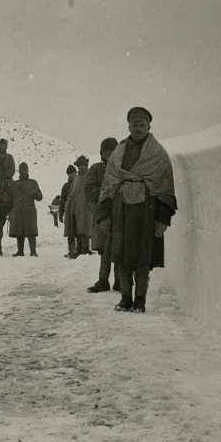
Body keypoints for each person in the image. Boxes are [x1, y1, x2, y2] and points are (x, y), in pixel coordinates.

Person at [94, 107, 177, 313]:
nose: (138, 128)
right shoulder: (118, 153)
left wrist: (163, 218)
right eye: (134, 125)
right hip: (120, 211)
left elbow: (165, 186)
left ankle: (139, 300)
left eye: (141, 125)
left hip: (146, 211)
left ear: (149, 126)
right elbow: (109, 183)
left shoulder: (157, 154)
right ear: (128, 126)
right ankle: (125, 298)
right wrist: (103, 214)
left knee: (142, 255)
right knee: (120, 254)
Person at [85, 137, 120, 293]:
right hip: (103, 214)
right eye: (107, 152)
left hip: (120, 213)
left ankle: (120, 280)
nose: (110, 154)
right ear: (102, 153)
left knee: (120, 247)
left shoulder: (123, 168)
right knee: (105, 249)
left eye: (113, 151)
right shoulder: (96, 169)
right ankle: (103, 280)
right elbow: (90, 190)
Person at [9, 162, 43, 257]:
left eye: (24, 169)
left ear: (27, 170)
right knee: (19, 233)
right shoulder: (15, 184)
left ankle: (33, 251)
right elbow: (10, 199)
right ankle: (20, 251)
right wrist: (11, 211)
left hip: (29, 212)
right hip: (18, 212)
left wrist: (35, 192)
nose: (23, 171)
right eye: (21, 170)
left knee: (31, 233)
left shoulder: (33, 182)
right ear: (19, 171)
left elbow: (40, 197)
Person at [70, 155, 93, 256]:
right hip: (78, 207)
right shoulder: (77, 178)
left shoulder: (89, 176)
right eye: (79, 166)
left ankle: (85, 249)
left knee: (85, 228)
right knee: (79, 228)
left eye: (82, 165)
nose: (80, 168)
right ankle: (79, 249)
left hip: (86, 207)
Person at [60, 165, 78, 257]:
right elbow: (62, 200)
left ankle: (79, 250)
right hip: (70, 212)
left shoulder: (80, 183)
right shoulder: (66, 186)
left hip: (78, 211)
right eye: (69, 174)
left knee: (79, 231)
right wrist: (60, 213)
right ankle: (72, 251)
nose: (71, 175)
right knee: (71, 233)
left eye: (72, 173)